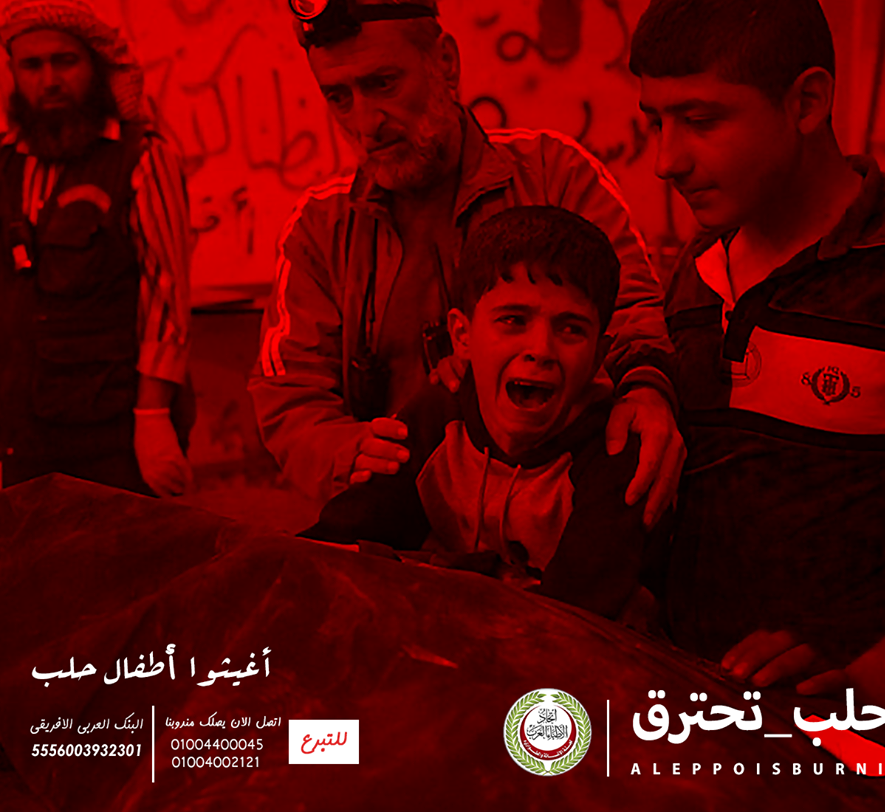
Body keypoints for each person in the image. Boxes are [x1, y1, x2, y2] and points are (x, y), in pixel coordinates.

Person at [630, 0, 885, 713]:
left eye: (701, 120)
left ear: (806, 102)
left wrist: (875, 680)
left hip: (882, 736)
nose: (666, 161)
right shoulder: (697, 273)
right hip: (705, 716)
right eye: (655, 122)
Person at [249, 0, 685, 523]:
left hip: (550, 524)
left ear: (446, 63)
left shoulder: (557, 177)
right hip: (389, 536)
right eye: (338, 97)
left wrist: (648, 391)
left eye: (383, 84)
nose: (366, 124)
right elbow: (289, 394)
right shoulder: (319, 231)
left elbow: (632, 313)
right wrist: (348, 451)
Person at [302, 206, 669, 620]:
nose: (541, 350)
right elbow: (336, 543)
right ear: (462, 335)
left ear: (599, 354)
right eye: (513, 320)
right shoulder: (438, 417)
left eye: (571, 329)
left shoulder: (616, 453)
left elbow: (574, 618)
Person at [0, 0, 193, 497]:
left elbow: (166, 296)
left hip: (112, 432)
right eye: (32, 65)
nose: (49, 80)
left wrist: (153, 418)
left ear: (95, 66)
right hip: (22, 433)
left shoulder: (142, 157)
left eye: (64, 61)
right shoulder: (5, 166)